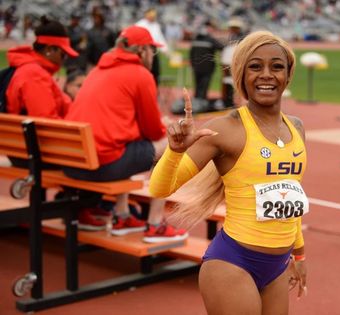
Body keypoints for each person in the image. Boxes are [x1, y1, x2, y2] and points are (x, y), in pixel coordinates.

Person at [149, 30, 308, 314]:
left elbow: (290, 196)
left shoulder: (296, 127)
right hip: (233, 263)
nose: (267, 75)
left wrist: (300, 254)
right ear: (241, 75)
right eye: (255, 66)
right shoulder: (226, 129)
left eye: (277, 66)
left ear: (288, 74)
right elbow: (160, 189)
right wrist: (174, 150)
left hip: (278, 266)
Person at [65, 25, 187, 242]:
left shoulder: (97, 71)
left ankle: (122, 215)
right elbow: (153, 131)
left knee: (127, 144)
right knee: (170, 142)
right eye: (152, 50)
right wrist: (164, 124)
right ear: (141, 51)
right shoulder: (140, 74)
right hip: (100, 166)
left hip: (73, 164)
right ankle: (155, 223)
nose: (153, 55)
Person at [5, 15, 78, 118]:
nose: (64, 59)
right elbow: (46, 123)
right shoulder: (34, 74)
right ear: (49, 50)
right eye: (63, 54)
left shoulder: (32, 69)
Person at [189, 20, 224, 111]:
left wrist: (192, 65)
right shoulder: (210, 39)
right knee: (204, 87)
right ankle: (201, 106)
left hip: (196, 68)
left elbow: (191, 54)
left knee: (197, 86)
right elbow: (221, 47)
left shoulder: (195, 39)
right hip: (207, 69)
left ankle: (195, 104)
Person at [135, 8, 169, 84]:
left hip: (153, 51)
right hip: (143, 51)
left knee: (155, 72)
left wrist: (165, 49)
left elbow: (160, 38)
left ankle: (154, 90)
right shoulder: (140, 24)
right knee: (144, 72)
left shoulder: (156, 25)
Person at [220, 17, 246, 108]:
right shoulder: (229, 40)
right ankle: (228, 102)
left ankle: (238, 103)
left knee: (237, 84)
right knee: (227, 84)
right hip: (228, 64)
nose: (231, 30)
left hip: (235, 64)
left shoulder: (241, 40)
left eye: (234, 28)